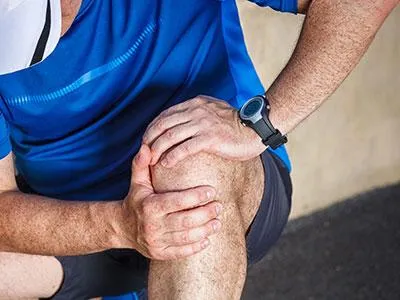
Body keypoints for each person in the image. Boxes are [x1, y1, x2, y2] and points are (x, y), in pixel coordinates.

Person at [0, 0, 397, 299]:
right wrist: (122, 224)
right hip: (88, 224)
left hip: (217, 193)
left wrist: (260, 123)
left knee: (186, 157)